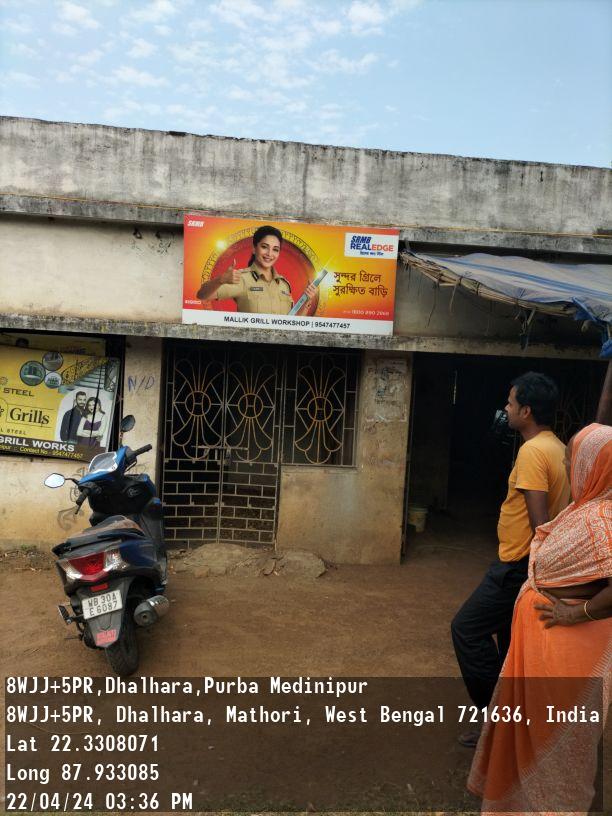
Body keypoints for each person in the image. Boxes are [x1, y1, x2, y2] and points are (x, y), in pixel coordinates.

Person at [468, 422, 612, 814]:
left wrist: (577, 612)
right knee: (530, 731)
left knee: (555, 738)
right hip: (544, 642)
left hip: (568, 649)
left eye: (572, 459)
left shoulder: (601, 522)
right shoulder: (583, 510)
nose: (565, 465)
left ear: (591, 466)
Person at [451, 372, 570, 746]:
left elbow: (540, 522)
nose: (507, 408)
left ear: (527, 411)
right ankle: (512, 725)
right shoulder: (557, 447)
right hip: (526, 564)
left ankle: (500, 722)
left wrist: (537, 571)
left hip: (518, 565)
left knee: (466, 629)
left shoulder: (532, 452)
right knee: (508, 649)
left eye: (511, 402)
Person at [196, 225, 317, 316]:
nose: (269, 254)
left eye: (275, 249)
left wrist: (306, 299)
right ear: (254, 248)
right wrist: (220, 280)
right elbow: (202, 295)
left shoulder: (284, 285)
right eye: (264, 247)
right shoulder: (242, 279)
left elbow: (291, 323)